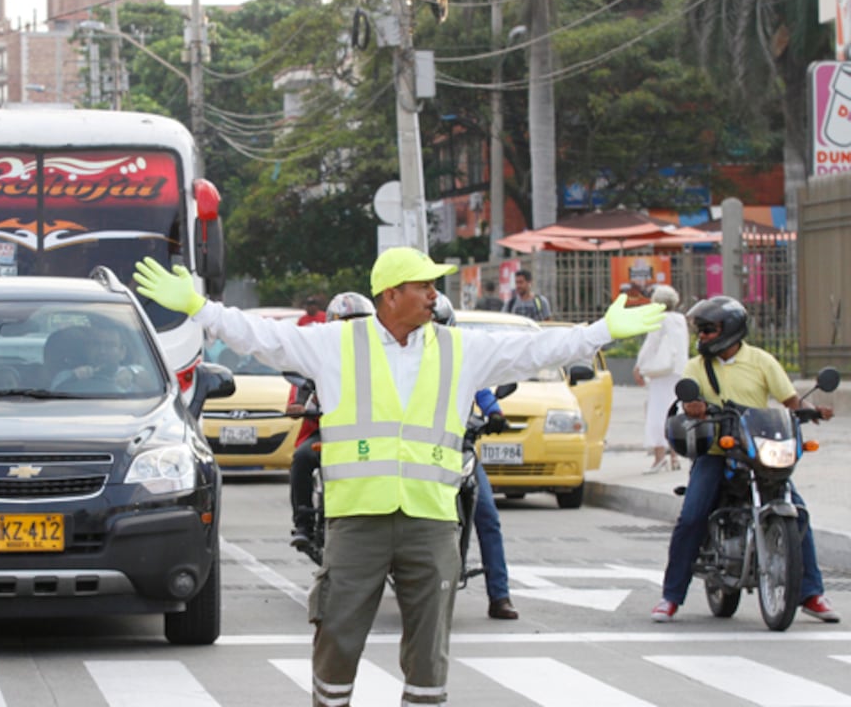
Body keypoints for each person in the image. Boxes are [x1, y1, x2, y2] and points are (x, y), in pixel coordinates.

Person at [133, 248, 664, 706]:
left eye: (435, 287)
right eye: (424, 286)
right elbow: (260, 336)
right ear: (391, 294)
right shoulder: (335, 344)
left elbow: (538, 349)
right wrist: (201, 309)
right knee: (337, 634)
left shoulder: (463, 349)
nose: (434, 295)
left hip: (431, 522)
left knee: (430, 643)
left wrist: (602, 332)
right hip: (355, 521)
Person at [651, 296, 840, 624]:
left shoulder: (762, 361)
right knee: (692, 516)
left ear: (732, 330)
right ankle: (671, 597)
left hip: (758, 452)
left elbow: (790, 401)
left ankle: (811, 593)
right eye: (701, 330)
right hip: (717, 453)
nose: (703, 336)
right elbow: (689, 401)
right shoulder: (696, 366)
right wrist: (692, 406)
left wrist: (809, 411)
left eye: (709, 330)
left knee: (798, 512)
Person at [433, 293, 519, 621]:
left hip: (460, 450)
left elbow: (482, 391)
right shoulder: (406, 366)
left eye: (440, 329)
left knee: (487, 516)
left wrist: (494, 414)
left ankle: (500, 595)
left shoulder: (461, 362)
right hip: (419, 457)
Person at [288, 292, 375, 552]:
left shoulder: (382, 358)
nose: (353, 330)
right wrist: (299, 406)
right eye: (346, 323)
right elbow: (302, 385)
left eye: (361, 323)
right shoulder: (321, 356)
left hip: (369, 437)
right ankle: (303, 523)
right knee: (302, 458)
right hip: (327, 434)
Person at [633, 285, 689, 473]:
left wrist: (639, 366)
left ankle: (659, 458)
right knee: (673, 412)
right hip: (678, 371)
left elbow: (651, 344)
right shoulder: (681, 320)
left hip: (661, 373)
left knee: (657, 413)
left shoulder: (660, 319)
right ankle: (674, 456)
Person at [51, 325, 141, 391]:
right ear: (87, 349)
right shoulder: (66, 375)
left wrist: (133, 373)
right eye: (96, 344)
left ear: (122, 352)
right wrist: (73, 378)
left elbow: (150, 388)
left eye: (110, 345)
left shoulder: (132, 377)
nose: (102, 351)